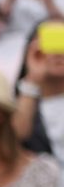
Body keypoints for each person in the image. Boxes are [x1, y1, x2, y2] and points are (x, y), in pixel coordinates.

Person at [11, 21, 64, 153]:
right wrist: (32, 78)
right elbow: (13, 139)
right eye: (50, 43)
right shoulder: (20, 99)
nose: (58, 53)